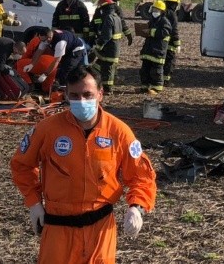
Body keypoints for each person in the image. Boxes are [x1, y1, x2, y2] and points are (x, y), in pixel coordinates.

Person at [10, 66, 157, 264]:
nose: (81, 101)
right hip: (58, 228)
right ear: (66, 96)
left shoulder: (119, 132)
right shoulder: (47, 129)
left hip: (100, 229)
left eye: (87, 95)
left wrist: (136, 207)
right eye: (75, 96)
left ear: (100, 94)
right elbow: (21, 165)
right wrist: (34, 202)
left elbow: (142, 175)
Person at [139, 0, 172, 95]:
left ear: (162, 11)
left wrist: (150, 32)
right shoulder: (152, 20)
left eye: (157, 10)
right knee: (145, 70)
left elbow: (165, 32)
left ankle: (157, 89)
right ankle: (144, 87)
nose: (154, 12)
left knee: (156, 71)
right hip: (149, 50)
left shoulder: (164, 21)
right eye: (153, 9)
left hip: (158, 50)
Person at [91, 0, 123, 93]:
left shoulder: (108, 17)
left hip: (109, 49)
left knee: (107, 69)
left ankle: (107, 89)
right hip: (114, 47)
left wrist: (98, 46)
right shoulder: (116, 16)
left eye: (100, 7)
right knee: (97, 67)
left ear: (104, 7)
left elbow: (107, 35)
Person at [162, 0, 182, 86]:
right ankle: (166, 81)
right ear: (175, 4)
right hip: (169, 43)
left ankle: (159, 79)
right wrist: (177, 44)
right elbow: (174, 30)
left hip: (160, 43)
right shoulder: (172, 15)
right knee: (169, 62)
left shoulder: (162, 12)